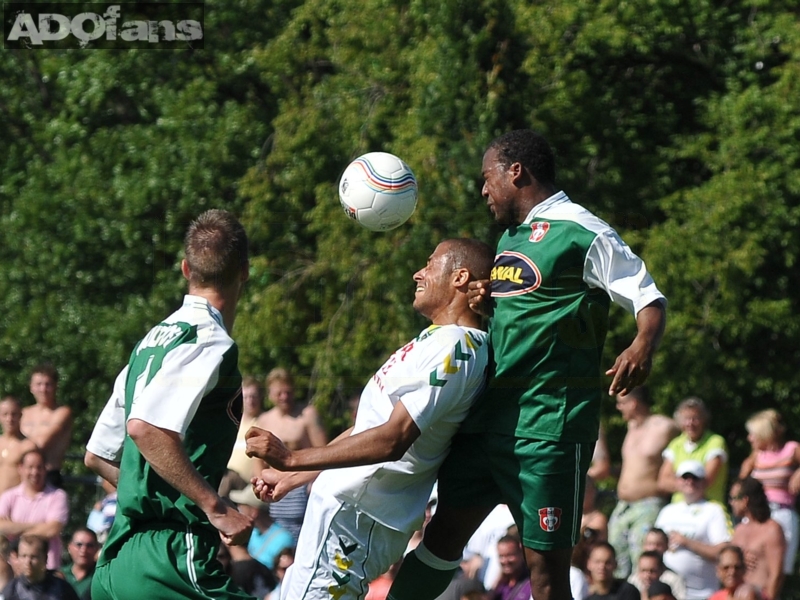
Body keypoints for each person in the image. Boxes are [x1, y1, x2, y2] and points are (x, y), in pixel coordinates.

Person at [386, 129, 667, 600]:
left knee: (545, 574)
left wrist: (642, 344)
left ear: (516, 171)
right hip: (487, 424)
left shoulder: (583, 232)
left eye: (486, 177)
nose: (483, 190)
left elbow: (647, 296)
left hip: (548, 430)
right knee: (439, 541)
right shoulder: (511, 238)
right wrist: (485, 300)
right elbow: (524, 314)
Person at [247, 238, 494, 599]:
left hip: (357, 520)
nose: (418, 272)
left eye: (430, 262)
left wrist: (292, 456)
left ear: (459, 277)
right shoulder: (435, 341)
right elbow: (367, 427)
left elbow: (394, 438)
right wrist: (295, 475)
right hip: (345, 513)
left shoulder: (458, 347)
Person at [83, 209, 255, 600]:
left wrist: (156, 495)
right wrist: (213, 506)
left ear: (185, 269)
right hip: (172, 558)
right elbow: (145, 429)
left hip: (118, 559)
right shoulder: (209, 340)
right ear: (244, 271)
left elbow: (96, 455)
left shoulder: (151, 343)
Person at [608, 386, 679, 577]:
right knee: (615, 559)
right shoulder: (631, 428)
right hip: (623, 506)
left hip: (648, 503)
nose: (618, 408)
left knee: (642, 560)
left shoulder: (663, 426)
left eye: (621, 403)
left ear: (634, 403)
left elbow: (686, 439)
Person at [253, 367, 328, 540]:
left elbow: (324, 452)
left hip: (302, 485)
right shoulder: (264, 420)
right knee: (280, 538)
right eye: (279, 393)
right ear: (270, 394)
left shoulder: (307, 415)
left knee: (305, 534)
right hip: (274, 488)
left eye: (288, 392)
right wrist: (260, 485)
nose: (284, 397)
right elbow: (257, 460)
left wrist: (314, 482)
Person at [654, 460, 732, 600]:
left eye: (695, 478)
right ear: (678, 481)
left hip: (702, 594)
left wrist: (687, 542)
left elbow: (723, 551)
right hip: (668, 594)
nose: (690, 481)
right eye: (685, 477)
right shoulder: (667, 511)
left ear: (703, 482)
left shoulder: (714, 510)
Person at [739, 408, 800, 575]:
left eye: (753, 434)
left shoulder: (791, 449)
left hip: (782, 511)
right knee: (749, 563)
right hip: (757, 513)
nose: (749, 438)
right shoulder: (756, 456)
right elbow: (741, 482)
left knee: (778, 567)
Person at [0, 448, 68, 569]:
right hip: (13, 569)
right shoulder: (8, 496)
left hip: (47, 569)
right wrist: (38, 525)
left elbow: (52, 529)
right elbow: (1, 526)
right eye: (30, 467)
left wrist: (15, 536)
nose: (35, 472)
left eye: (39, 467)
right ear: (20, 468)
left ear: (45, 468)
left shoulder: (57, 496)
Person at [658, 397, 728, 505]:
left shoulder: (715, 442)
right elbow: (663, 481)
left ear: (704, 419)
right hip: (679, 508)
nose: (690, 423)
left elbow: (707, 480)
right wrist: (692, 485)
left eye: (695, 418)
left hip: (708, 507)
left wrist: (679, 483)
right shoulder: (675, 444)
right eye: (686, 418)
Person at [729, 477, 785, 600]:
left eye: (734, 498)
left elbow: (776, 574)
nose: (731, 503)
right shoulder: (739, 530)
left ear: (745, 501)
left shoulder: (772, 530)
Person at [20, 365, 72, 488]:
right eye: (38, 384)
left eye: (48, 384)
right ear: (31, 387)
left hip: (49, 475)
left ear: (55, 386)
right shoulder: (24, 413)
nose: (43, 389)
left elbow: (42, 443)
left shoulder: (62, 412)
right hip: (23, 476)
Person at [228, 485, 294, 571]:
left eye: (242, 507)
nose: (239, 510)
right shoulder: (254, 532)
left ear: (254, 512)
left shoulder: (283, 539)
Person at [221, 376, 266, 497]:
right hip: (225, 474)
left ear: (260, 397)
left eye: (253, 396)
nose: (250, 401)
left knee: (227, 479)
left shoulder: (265, 422)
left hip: (247, 482)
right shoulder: (233, 423)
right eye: (246, 397)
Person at [1, 534, 80, 600]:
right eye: (23, 556)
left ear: (45, 558)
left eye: (33, 557)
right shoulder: (11, 591)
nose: (28, 562)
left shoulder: (62, 589)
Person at [0, 396, 37, 495]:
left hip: (14, 504)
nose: (9, 419)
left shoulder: (28, 446)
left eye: (14, 414)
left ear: (20, 415)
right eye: (5, 414)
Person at [59, 528, 99, 600]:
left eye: (89, 545)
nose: (83, 550)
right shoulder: (59, 575)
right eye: (79, 544)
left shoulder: (101, 576)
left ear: (96, 548)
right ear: (69, 547)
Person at [489, 535, 531, 600]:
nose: (505, 561)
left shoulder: (530, 583)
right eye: (501, 556)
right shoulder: (501, 584)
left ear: (521, 554)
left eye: (510, 555)